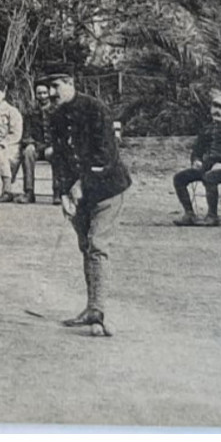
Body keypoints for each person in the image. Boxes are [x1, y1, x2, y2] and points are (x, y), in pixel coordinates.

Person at [45, 70, 131, 332]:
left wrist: (82, 185)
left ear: (70, 83)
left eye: (55, 86)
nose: (51, 93)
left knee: (97, 245)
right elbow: (59, 158)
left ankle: (97, 310)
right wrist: (62, 194)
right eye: (48, 87)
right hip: (78, 193)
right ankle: (92, 306)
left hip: (107, 189)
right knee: (85, 246)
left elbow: (106, 156)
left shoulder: (96, 109)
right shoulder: (56, 115)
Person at [171, 90, 221, 226]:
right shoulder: (206, 129)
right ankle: (189, 214)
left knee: (209, 177)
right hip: (206, 167)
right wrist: (196, 161)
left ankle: (213, 216)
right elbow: (197, 150)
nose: (217, 110)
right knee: (179, 178)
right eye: (215, 106)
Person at [16, 81, 53, 204]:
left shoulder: (57, 111)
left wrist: (52, 146)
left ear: (49, 93)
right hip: (37, 148)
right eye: (39, 94)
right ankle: (29, 192)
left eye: (44, 93)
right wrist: (31, 143)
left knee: (56, 153)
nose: (42, 96)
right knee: (28, 152)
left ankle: (58, 191)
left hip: (52, 148)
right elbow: (26, 134)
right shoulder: (30, 112)